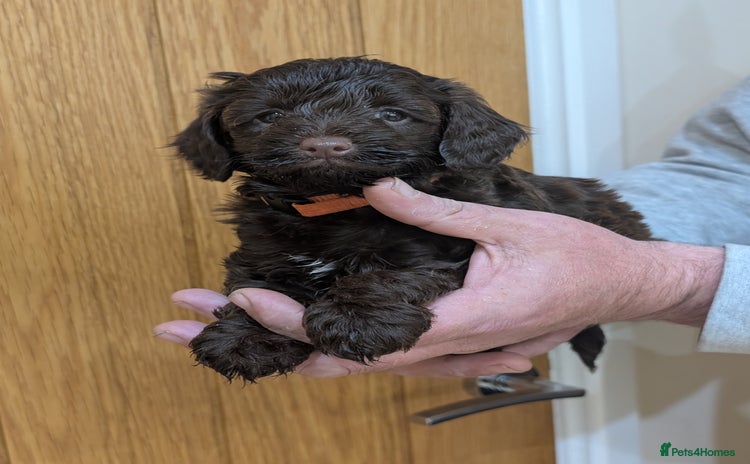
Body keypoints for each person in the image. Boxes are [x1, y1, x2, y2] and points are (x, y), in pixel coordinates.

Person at [154, 77, 750, 378]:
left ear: (457, 134)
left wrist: (654, 279)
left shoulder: (465, 187)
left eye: (390, 113)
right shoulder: (268, 217)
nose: (323, 139)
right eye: (269, 116)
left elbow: (443, 262)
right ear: (221, 141)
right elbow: (725, 172)